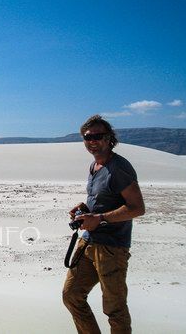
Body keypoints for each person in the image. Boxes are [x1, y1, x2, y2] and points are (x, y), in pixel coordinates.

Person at [62, 115, 145, 334]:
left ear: (109, 138)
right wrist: (85, 209)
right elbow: (103, 200)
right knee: (71, 296)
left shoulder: (119, 167)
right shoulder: (95, 166)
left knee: (114, 309)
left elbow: (137, 208)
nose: (92, 141)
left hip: (112, 248)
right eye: (87, 137)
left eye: (98, 136)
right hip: (88, 242)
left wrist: (99, 219)